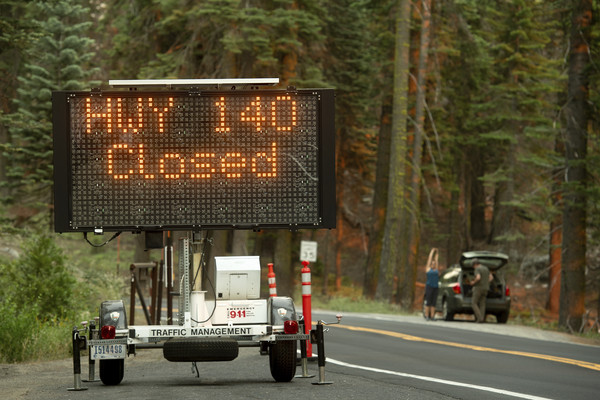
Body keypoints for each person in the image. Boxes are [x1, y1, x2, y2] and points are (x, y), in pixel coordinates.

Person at [470, 258, 491, 323]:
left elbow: (478, 277)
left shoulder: (478, 269)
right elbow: (491, 277)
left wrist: (473, 282)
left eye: (473, 266)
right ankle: (482, 318)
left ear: (475, 264)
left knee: (474, 303)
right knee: (482, 304)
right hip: (486, 288)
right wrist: (486, 283)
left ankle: (479, 318)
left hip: (478, 288)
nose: (473, 267)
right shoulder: (486, 268)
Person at [424, 250, 440, 321]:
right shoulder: (428, 269)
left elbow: (436, 261)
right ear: (430, 265)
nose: (433, 265)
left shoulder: (436, 270)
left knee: (433, 302)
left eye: (434, 264)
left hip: (435, 287)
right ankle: (427, 315)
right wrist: (431, 252)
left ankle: (432, 316)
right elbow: (429, 259)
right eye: (432, 264)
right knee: (428, 302)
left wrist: (436, 254)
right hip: (429, 287)